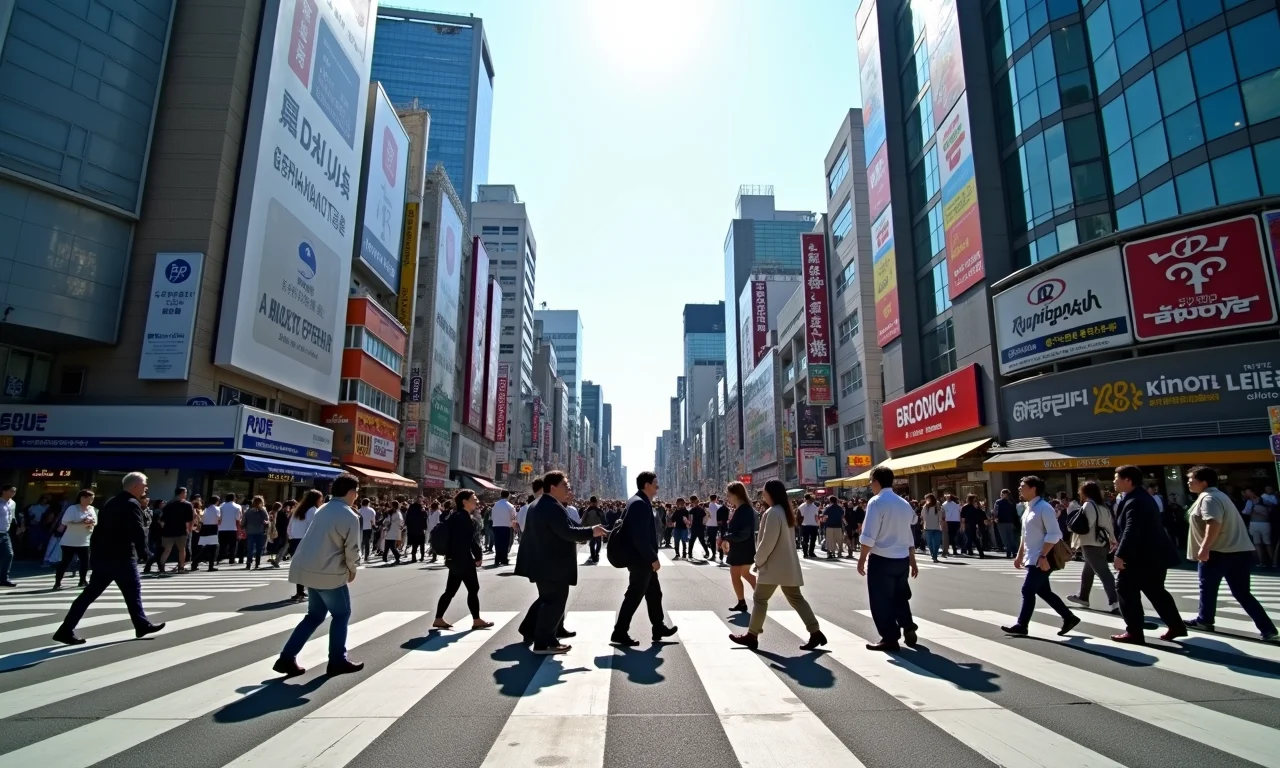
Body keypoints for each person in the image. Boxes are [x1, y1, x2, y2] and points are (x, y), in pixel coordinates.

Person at [52, 472, 164, 645]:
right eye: (144, 484)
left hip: (104, 556)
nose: (146, 488)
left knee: (90, 594)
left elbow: (99, 529)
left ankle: (65, 629)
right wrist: (145, 552)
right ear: (135, 486)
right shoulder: (132, 503)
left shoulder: (111, 502)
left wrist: (95, 555)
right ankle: (141, 625)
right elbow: (137, 530)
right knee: (132, 591)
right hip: (122, 556)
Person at [273, 473, 364, 677]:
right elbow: (352, 549)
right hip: (329, 572)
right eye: (356, 492)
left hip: (308, 569)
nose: (357, 496)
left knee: (314, 616)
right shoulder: (349, 515)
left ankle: (286, 658)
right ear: (351, 492)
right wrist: (352, 570)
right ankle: (337, 660)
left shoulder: (323, 509)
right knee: (341, 615)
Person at [514, 471, 605, 654]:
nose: (568, 489)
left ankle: (529, 629)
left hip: (544, 562)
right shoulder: (551, 506)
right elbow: (567, 532)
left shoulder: (542, 504)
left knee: (546, 599)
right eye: (565, 485)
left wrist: (590, 529)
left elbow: (570, 526)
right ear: (553, 487)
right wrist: (591, 532)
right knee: (555, 601)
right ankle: (544, 642)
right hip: (552, 564)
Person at [1182, 466, 1277, 640]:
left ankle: (1205, 620)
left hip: (1218, 551)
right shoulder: (1219, 496)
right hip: (1237, 551)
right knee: (1242, 593)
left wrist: (1204, 547)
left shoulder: (1209, 498)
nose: (1188, 482)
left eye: (1191, 479)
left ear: (1204, 482)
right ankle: (1268, 629)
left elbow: (1213, 522)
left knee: (1208, 588)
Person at [730, 480, 826, 651]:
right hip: (787, 565)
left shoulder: (773, 512)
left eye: (765, 492)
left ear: (771, 493)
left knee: (760, 599)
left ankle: (752, 635)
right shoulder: (784, 511)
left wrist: (758, 560)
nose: (763, 495)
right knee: (796, 598)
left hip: (773, 566)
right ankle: (815, 631)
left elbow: (767, 542)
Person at [1109, 465, 1186, 645]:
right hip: (1152, 555)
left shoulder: (1136, 500)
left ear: (1128, 480)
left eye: (1116, 478)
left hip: (1141, 556)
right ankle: (1176, 625)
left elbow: (1132, 529)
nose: (1113, 482)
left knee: (1126, 589)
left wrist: (1120, 554)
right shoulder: (1138, 497)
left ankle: (1134, 632)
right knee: (1155, 591)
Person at [1001, 475, 1080, 637]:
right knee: (1043, 591)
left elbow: (1054, 533)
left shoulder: (1044, 508)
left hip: (1043, 557)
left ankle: (1022, 625)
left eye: (1023, 486)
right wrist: (1019, 555)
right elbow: (1024, 535)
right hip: (1033, 556)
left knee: (1027, 590)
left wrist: (1043, 556)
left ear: (1033, 489)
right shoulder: (1028, 508)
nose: (1019, 489)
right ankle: (1069, 617)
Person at [611, 472, 677, 646]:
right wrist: (652, 558)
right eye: (655, 483)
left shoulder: (638, 501)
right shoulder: (639, 503)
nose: (658, 486)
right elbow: (639, 537)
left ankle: (658, 626)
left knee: (654, 592)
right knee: (634, 594)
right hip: (640, 559)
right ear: (646, 485)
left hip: (641, 557)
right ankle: (620, 631)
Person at [857, 466, 920, 650]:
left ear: (877, 482)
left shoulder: (876, 502)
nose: (870, 486)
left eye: (871, 482)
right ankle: (908, 625)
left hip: (882, 558)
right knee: (900, 597)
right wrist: (912, 559)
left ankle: (890, 637)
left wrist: (862, 559)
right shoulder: (903, 503)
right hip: (902, 558)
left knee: (881, 600)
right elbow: (909, 529)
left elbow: (869, 535)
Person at [433, 490, 494, 630]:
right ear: (464, 501)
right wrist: (478, 556)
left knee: (450, 590)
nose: (477, 500)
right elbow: (470, 540)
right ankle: (476, 620)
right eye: (474, 498)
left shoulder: (455, 516)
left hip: (453, 558)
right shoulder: (464, 518)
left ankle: (438, 619)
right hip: (463, 559)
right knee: (473, 588)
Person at [1066, 481, 1119, 614]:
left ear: (1085, 492)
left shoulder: (1088, 505)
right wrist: (1113, 540)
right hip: (1102, 542)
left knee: (1104, 573)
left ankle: (1115, 602)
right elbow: (1109, 525)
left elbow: (1086, 526)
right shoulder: (1103, 507)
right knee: (1088, 571)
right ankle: (1083, 597)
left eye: (1080, 491)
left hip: (1091, 543)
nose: (1079, 494)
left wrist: (1074, 537)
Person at [720, 481, 758, 612]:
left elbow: (743, 533)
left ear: (736, 494)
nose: (727, 498)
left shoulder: (744, 510)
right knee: (745, 574)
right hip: (741, 546)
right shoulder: (742, 509)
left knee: (737, 575)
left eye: (729, 495)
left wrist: (727, 537)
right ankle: (755, 599)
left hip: (741, 547)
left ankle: (749, 601)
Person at [54, 489, 96, 590]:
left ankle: (82, 580)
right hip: (70, 541)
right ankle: (57, 582)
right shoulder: (72, 508)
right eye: (90, 498)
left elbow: (95, 522)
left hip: (84, 540)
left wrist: (91, 523)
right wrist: (82, 523)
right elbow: (66, 522)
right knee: (65, 562)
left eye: (92, 499)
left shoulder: (91, 509)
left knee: (85, 562)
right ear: (82, 498)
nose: (91, 501)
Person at [288, 491, 322, 603]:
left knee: (299, 567)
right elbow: (314, 527)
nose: (321, 502)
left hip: (295, 540)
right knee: (310, 567)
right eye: (320, 499)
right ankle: (310, 591)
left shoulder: (297, 509)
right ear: (316, 499)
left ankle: (300, 591)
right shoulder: (313, 510)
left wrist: (291, 537)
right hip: (307, 540)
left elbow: (289, 527)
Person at [154, 488, 194, 574]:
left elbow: (161, 520)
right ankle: (181, 567)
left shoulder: (168, 504)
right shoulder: (187, 505)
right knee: (182, 550)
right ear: (182, 493)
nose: (186, 494)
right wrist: (189, 530)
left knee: (167, 550)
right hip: (181, 531)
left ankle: (161, 568)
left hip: (167, 532)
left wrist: (164, 528)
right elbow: (190, 520)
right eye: (186, 492)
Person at [241, 496, 270, 570]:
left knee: (250, 548)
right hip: (260, 532)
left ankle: (249, 562)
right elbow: (267, 520)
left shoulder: (248, 511)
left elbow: (243, 522)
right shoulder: (263, 511)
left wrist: (243, 527)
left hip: (250, 532)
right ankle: (257, 563)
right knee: (259, 548)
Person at [492, 490, 516, 566]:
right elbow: (513, 517)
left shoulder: (495, 505)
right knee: (505, 543)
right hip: (506, 526)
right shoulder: (510, 506)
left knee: (497, 542)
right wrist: (513, 524)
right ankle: (504, 559)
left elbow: (492, 516)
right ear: (508, 496)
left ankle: (497, 558)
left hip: (496, 525)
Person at [217, 492, 242, 565]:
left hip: (222, 528)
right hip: (233, 528)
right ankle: (232, 559)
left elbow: (219, 517)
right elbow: (238, 518)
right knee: (233, 545)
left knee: (222, 545)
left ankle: (219, 558)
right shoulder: (237, 506)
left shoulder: (221, 506)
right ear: (234, 498)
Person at [994, 489, 1019, 558]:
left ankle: (1009, 551)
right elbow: (1015, 513)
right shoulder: (1012, 502)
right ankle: (1014, 551)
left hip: (1002, 522)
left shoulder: (998, 502)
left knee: (1005, 538)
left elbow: (996, 511)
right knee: (1011, 538)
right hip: (1009, 522)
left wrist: (996, 518)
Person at [960, 494, 986, 558]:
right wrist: (963, 526)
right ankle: (979, 552)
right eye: (974, 500)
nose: (976, 501)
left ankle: (965, 549)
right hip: (970, 524)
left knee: (972, 538)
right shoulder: (966, 507)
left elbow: (982, 516)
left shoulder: (976, 507)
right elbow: (963, 518)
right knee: (973, 538)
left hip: (973, 524)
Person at [919, 493, 943, 563]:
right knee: (930, 543)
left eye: (927, 498)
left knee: (936, 543)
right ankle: (932, 554)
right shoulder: (925, 507)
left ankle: (935, 556)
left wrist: (941, 524)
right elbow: (922, 517)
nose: (926, 500)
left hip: (937, 527)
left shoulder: (937, 505)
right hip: (928, 528)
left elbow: (940, 516)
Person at [581, 496, 605, 563]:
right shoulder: (587, 510)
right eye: (593, 502)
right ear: (591, 503)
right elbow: (583, 520)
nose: (594, 504)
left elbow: (603, 517)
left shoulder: (598, 510)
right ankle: (594, 556)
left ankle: (596, 554)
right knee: (592, 544)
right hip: (591, 529)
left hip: (598, 528)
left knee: (598, 543)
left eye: (595, 502)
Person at [0, 484, 15, 587]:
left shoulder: (12, 503)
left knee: (9, 554)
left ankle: (4, 578)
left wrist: (18, 527)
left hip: (5, 533)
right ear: (4, 491)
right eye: (11, 491)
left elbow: (12, 517)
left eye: (14, 491)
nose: (13, 493)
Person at [798, 493, 820, 558]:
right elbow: (816, 517)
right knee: (813, 540)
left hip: (804, 525)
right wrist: (817, 523)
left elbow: (800, 516)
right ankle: (811, 552)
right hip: (813, 525)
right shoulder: (814, 507)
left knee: (805, 540)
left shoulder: (801, 506)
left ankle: (805, 553)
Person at [689, 495, 711, 559]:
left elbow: (690, 516)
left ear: (692, 501)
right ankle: (707, 552)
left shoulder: (693, 509)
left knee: (692, 541)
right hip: (701, 527)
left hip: (694, 527)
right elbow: (705, 516)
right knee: (702, 541)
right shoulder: (701, 509)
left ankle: (690, 554)